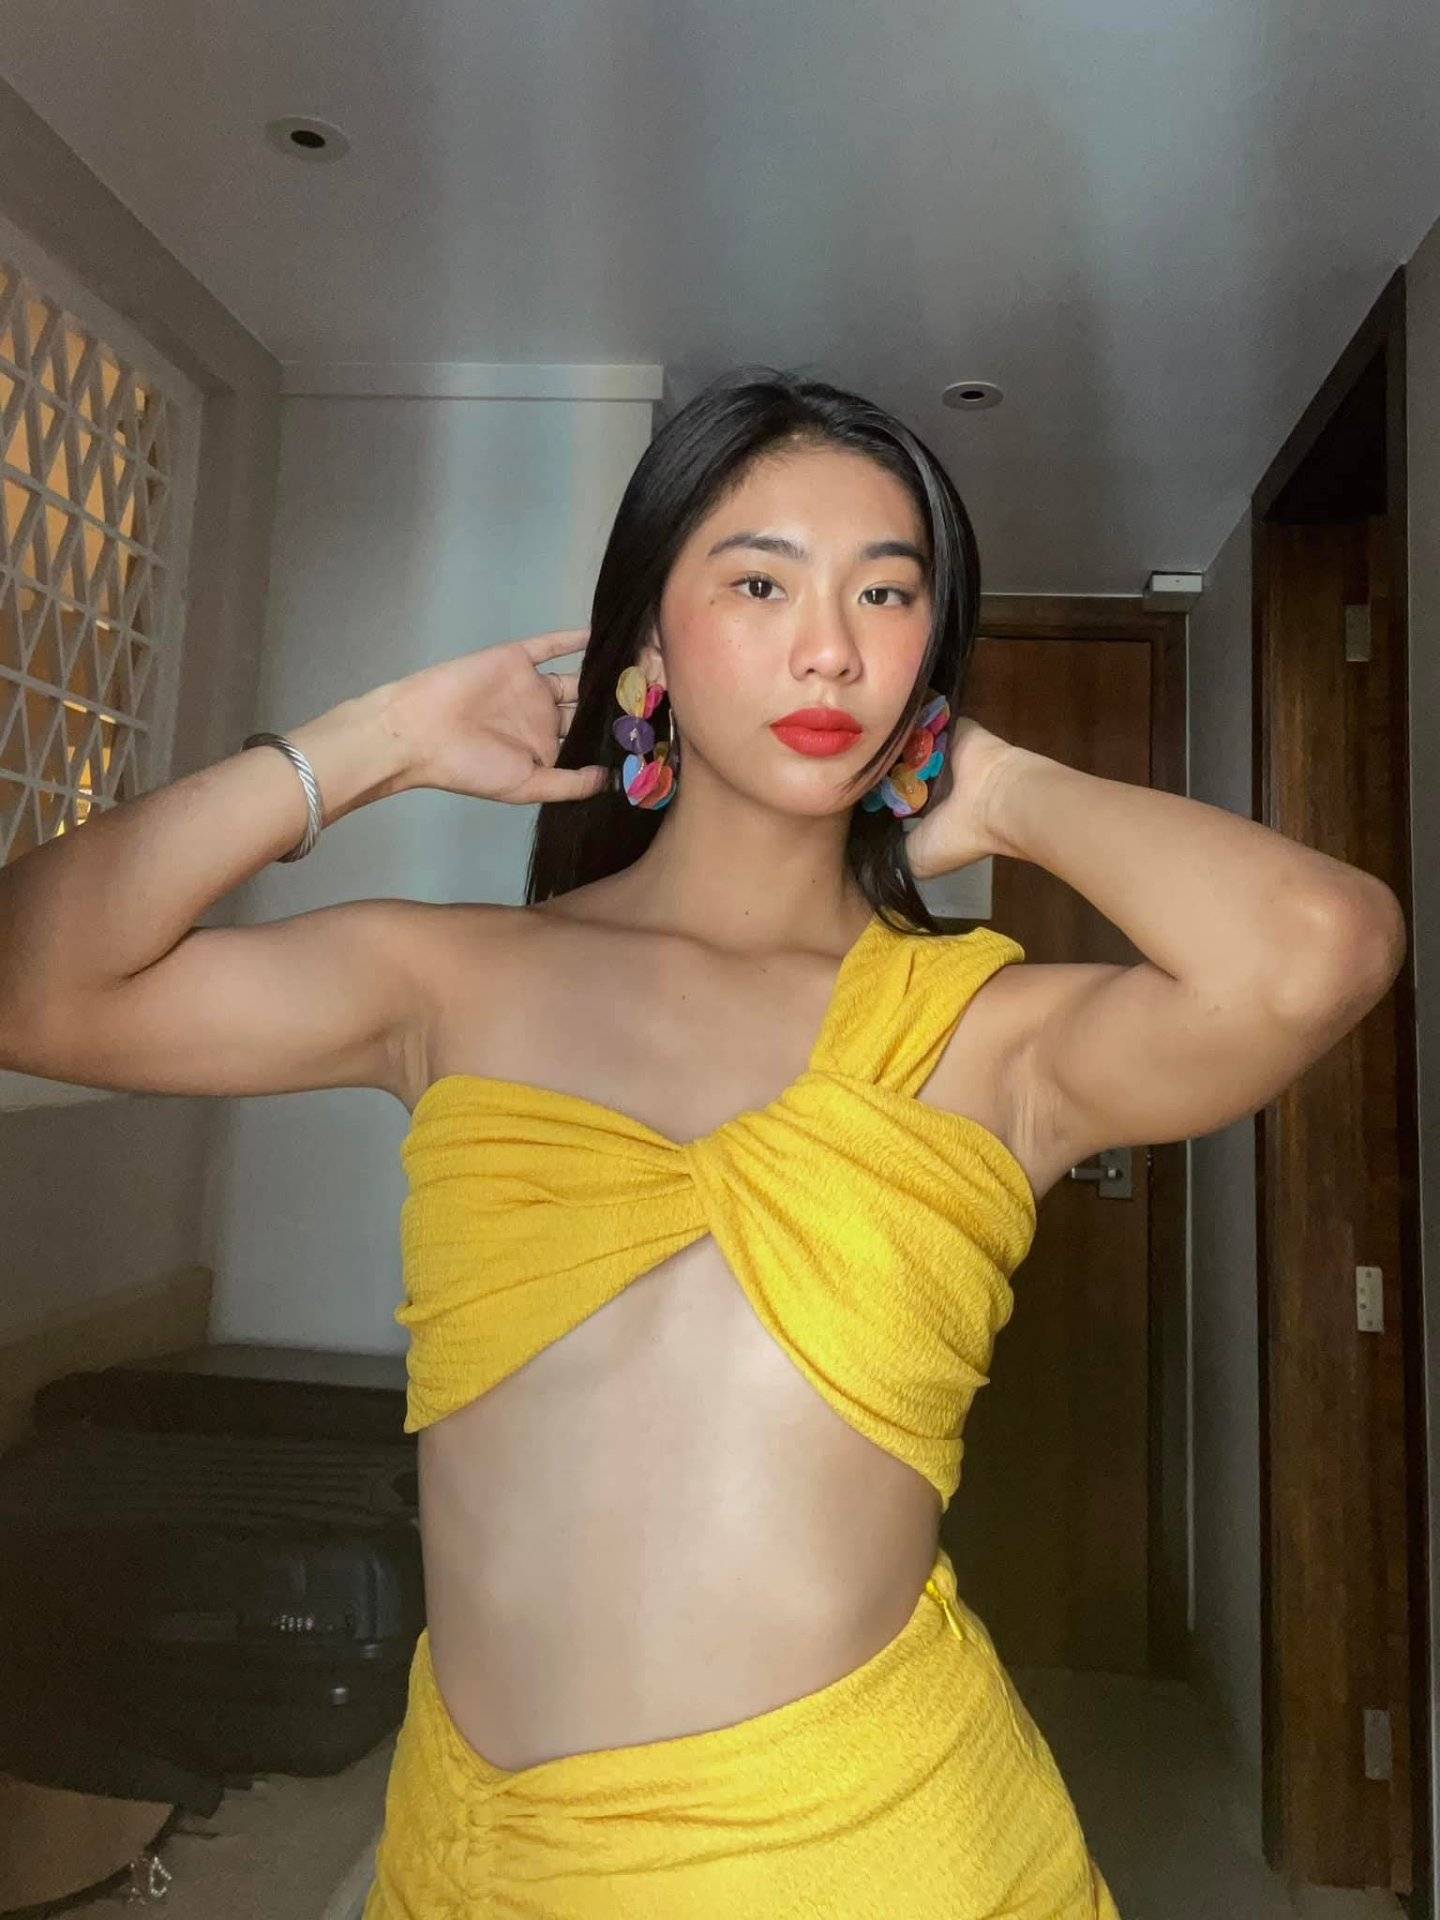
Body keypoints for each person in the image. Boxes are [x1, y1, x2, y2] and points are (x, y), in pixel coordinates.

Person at [0, 370, 1404, 1918]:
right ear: (651, 650)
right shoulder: (455, 977)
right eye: (760, 582)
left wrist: (1007, 787)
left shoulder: (986, 1036)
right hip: (482, 1864)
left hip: (867, 1859)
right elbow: (34, 988)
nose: (832, 646)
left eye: (888, 593)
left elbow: (1318, 949)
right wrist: (366, 745)